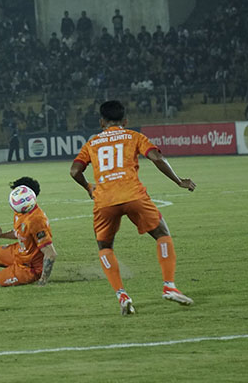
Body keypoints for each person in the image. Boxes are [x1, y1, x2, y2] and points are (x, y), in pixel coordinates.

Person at [70, 100, 196, 316]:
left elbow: (74, 171)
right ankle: (169, 286)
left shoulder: (92, 143)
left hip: (104, 200)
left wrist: (89, 187)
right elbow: (157, 157)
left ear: (102, 122)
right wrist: (178, 181)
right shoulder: (133, 136)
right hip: (133, 195)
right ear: (125, 121)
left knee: (105, 246)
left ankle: (122, 295)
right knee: (162, 234)